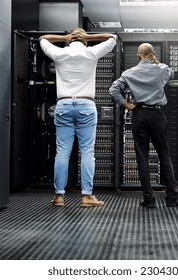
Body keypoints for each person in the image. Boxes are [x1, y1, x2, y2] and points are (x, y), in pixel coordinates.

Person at [39, 28, 117, 207]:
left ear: (69, 41)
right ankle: (87, 196)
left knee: (62, 152)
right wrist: (90, 36)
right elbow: (113, 38)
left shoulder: (59, 53)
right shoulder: (91, 52)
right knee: (87, 152)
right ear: (86, 41)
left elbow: (42, 38)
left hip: (63, 105)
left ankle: (59, 196)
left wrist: (64, 37)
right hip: (86, 106)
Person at [109, 43, 178, 208]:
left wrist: (127, 105)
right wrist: (156, 61)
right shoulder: (161, 69)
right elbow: (171, 72)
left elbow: (113, 90)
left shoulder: (129, 73)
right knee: (164, 156)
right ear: (152, 54)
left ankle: (149, 200)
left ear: (138, 55)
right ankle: (173, 198)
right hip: (157, 115)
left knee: (142, 158)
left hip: (139, 115)